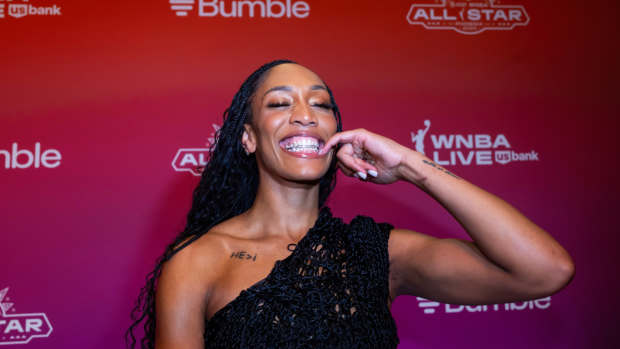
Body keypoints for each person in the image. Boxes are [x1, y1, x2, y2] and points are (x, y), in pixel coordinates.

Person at [126, 60, 575, 348]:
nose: (305, 114)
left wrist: (413, 167)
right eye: (280, 103)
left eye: (321, 105)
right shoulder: (199, 259)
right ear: (248, 138)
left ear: (334, 131)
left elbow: (545, 269)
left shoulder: (375, 252)